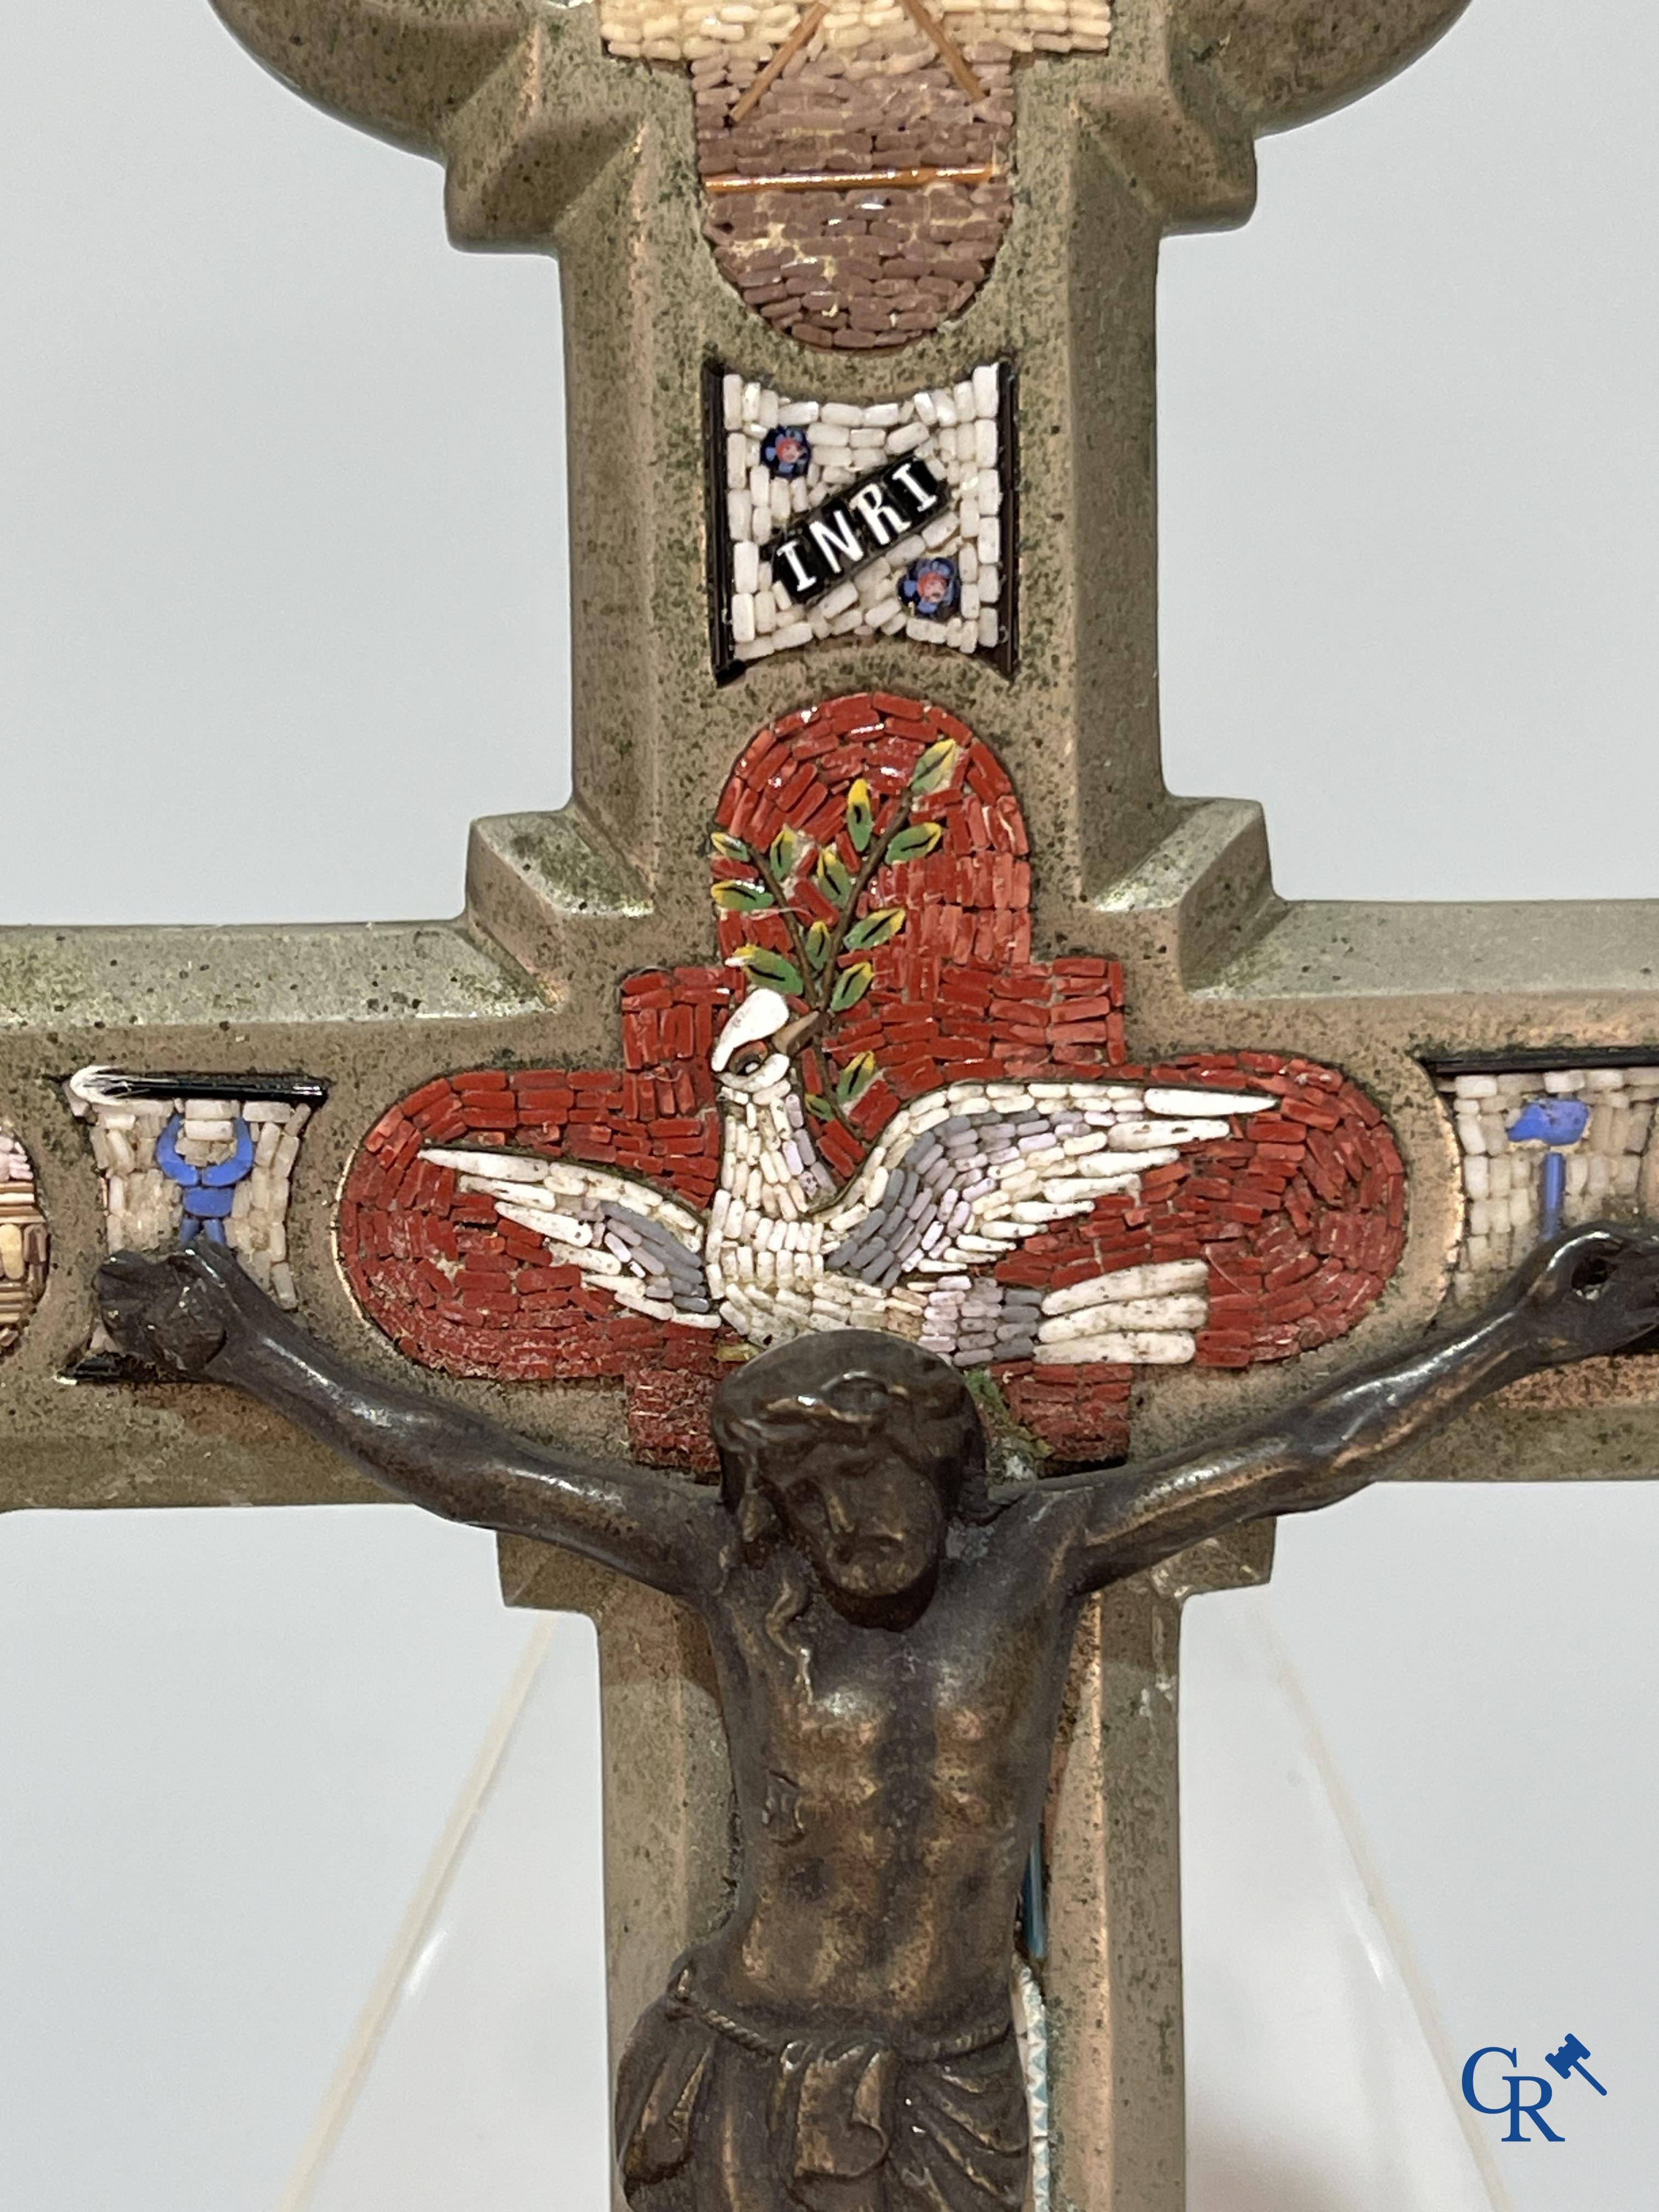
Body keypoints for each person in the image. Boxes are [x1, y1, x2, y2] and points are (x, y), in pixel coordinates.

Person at [99, 1220, 1659, 2210]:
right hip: (737, 2057)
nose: (859, 1522)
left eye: (881, 1473)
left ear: (943, 1458)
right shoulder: (727, 1571)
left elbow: (1305, 1448)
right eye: (816, 1491)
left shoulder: (1044, 1557)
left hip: (944, 2072)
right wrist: (249, 1348)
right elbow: (465, 1462)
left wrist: (1520, 1331)